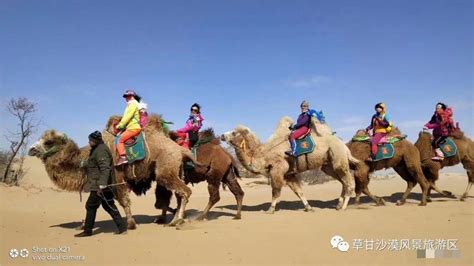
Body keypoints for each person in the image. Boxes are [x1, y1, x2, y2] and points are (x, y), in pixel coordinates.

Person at [75, 131, 127, 237]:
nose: (89, 142)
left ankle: (88, 230)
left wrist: (102, 185)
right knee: (108, 205)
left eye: (91, 140)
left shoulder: (101, 150)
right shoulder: (97, 149)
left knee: (90, 205)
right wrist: (84, 163)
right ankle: (122, 227)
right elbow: (95, 162)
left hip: (100, 184)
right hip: (101, 184)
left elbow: (105, 168)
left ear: (95, 141)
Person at [115, 90, 142, 166]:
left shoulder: (132, 104)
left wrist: (119, 126)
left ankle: (123, 157)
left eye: (128, 96)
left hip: (133, 128)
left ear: (132, 96)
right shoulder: (135, 104)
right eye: (126, 96)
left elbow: (127, 118)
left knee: (119, 140)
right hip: (133, 127)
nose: (127, 98)